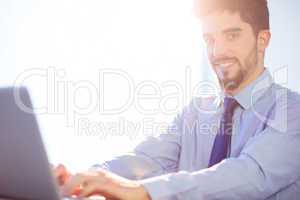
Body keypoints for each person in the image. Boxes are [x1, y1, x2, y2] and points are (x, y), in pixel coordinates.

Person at [54, 0, 300, 199]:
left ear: (262, 40)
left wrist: (141, 192)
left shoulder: (292, 111)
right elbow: (147, 161)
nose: (217, 52)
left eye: (232, 36)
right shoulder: (196, 111)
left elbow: (249, 176)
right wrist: (86, 178)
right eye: (210, 39)